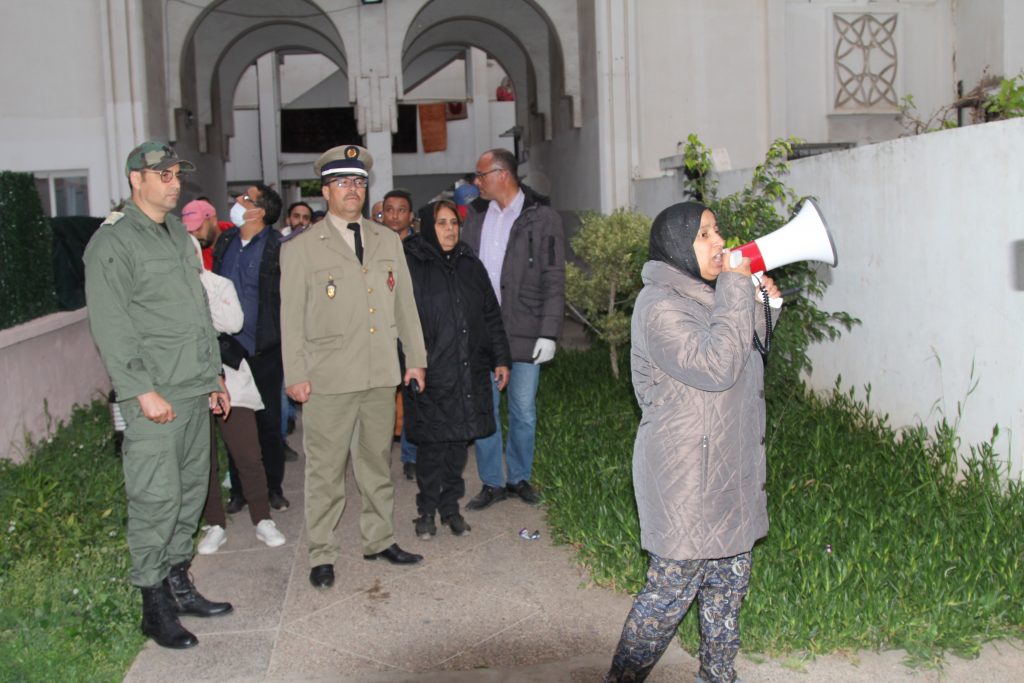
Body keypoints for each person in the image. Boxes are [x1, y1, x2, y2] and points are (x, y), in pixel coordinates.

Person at [603, 202, 780, 683]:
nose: (719, 241)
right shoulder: (659, 306)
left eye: (716, 230)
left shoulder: (706, 294)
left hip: (728, 470)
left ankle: (718, 676)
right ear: (678, 245)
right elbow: (716, 366)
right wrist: (737, 288)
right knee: (667, 597)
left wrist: (764, 305)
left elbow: (743, 350)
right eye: (705, 234)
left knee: (728, 586)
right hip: (686, 479)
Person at [83, 140, 232, 650]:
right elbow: (111, 324)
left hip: (192, 385)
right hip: (154, 393)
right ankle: (154, 605)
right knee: (156, 497)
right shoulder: (113, 241)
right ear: (136, 179)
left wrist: (213, 376)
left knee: (189, 494)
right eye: (162, 175)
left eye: (176, 175)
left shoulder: (175, 232)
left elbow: (195, 310)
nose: (173, 183)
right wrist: (140, 390)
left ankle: (177, 583)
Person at [280, 144, 428, 588]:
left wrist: (415, 360)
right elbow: (290, 318)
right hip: (328, 378)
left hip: (380, 373)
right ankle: (321, 553)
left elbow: (405, 305)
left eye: (359, 182)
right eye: (342, 182)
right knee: (325, 472)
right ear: (325, 191)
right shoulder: (302, 248)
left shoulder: (386, 240)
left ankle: (379, 539)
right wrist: (295, 375)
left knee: (376, 465)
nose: (352, 190)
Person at [461, 148, 565, 510]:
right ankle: (492, 482)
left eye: (481, 175)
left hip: (526, 329)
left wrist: (549, 332)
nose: (476, 182)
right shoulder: (475, 216)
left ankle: (518, 477)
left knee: (522, 409)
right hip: (483, 332)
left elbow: (554, 277)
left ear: (502, 174)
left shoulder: (542, 216)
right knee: (485, 409)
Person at [402, 200, 510, 539]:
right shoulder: (411, 263)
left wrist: (500, 358)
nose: (450, 229)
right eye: (441, 223)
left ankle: (450, 509)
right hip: (432, 373)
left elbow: (490, 313)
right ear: (427, 226)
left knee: (457, 448)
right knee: (432, 447)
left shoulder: (469, 263)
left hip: (468, 371)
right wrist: (410, 362)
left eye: (453, 223)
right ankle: (426, 511)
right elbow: (400, 319)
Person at [184, 210, 286, 554]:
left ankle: (262, 518)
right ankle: (215, 523)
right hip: (188, 382)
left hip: (229, 377)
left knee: (248, 452)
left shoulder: (218, 284)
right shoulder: (167, 295)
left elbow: (233, 322)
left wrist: (203, 293)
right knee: (204, 459)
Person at [213, 183, 291, 515]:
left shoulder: (279, 247)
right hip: (228, 350)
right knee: (233, 420)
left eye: (244, 198)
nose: (236, 201)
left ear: (258, 212)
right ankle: (240, 490)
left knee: (268, 423)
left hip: (264, 349)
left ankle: (272, 488)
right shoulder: (226, 242)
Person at [379, 188, 419, 479]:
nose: (394, 216)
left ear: (411, 216)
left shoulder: (421, 249)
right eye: (389, 210)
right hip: (379, 332)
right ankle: (377, 458)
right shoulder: (371, 246)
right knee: (380, 399)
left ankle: (411, 454)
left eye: (401, 210)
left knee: (413, 395)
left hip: (411, 331)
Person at [181, 199, 219, 269]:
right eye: (190, 232)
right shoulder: (191, 256)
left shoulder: (237, 238)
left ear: (213, 220)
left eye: (198, 228)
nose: (194, 235)